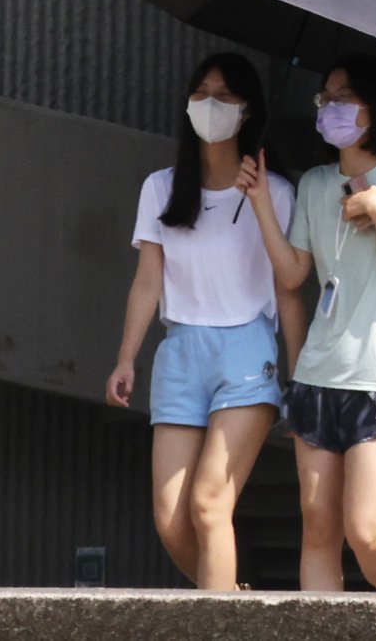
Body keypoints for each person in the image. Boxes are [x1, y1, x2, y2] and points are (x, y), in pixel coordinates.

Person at [104, 53, 297, 591]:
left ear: (248, 110)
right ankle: (228, 602)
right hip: (180, 350)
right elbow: (147, 281)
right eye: (201, 93)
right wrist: (125, 359)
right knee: (171, 520)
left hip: (246, 353)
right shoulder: (161, 188)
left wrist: (300, 378)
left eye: (225, 96)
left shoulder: (276, 192)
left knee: (210, 504)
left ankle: (221, 620)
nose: (210, 105)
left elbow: (290, 288)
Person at [268, 54, 376, 593]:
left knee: (364, 528)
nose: (330, 108)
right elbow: (295, 272)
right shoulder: (316, 183)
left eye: (344, 98)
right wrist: (257, 203)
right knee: (318, 528)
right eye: (325, 99)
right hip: (318, 376)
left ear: (375, 107)